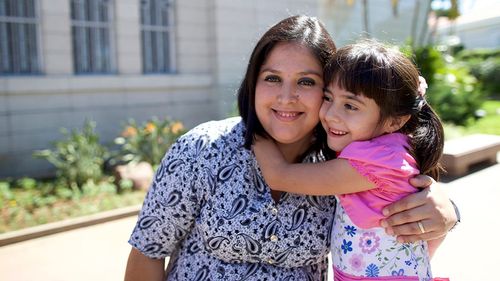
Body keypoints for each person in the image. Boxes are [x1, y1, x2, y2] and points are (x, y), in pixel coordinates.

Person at [124, 16, 458, 281]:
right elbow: (147, 252)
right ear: (253, 82)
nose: (286, 97)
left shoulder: (341, 157)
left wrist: (448, 211)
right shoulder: (201, 149)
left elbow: (403, 187)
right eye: (271, 78)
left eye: (306, 82)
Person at [252, 40, 450, 280]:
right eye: (328, 98)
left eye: (350, 105)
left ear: (395, 121)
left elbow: (279, 176)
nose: (331, 114)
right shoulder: (390, 147)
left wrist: (253, 125)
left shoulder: (374, 161)